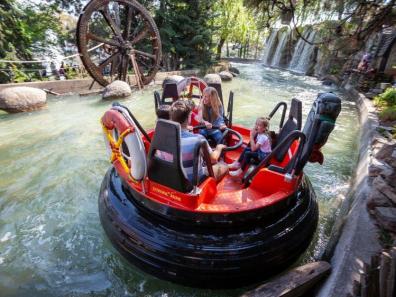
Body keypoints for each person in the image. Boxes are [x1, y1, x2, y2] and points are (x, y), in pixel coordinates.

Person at [170, 100, 228, 182]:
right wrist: (219, 148)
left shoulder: (163, 137)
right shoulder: (199, 139)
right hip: (194, 181)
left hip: (174, 179)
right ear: (188, 118)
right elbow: (213, 159)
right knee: (224, 166)